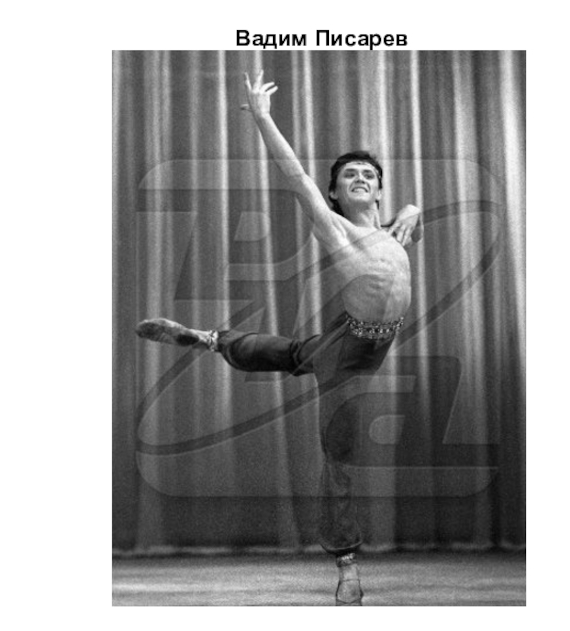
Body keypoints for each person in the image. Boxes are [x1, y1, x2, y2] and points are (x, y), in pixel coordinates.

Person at [136, 70, 423, 606]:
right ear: (334, 194)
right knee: (338, 454)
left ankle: (211, 339)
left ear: (381, 190)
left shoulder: (392, 231)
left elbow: (408, 229)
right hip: (353, 356)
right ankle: (347, 564)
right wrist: (264, 118)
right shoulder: (338, 230)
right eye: (349, 175)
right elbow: (295, 176)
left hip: (350, 332)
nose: (360, 178)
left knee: (295, 352)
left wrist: (413, 210)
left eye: (369, 174)